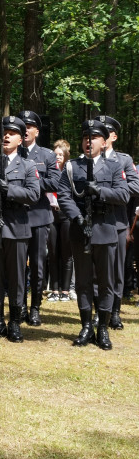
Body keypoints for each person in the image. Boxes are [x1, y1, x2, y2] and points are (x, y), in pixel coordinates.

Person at [57, 119, 129, 350]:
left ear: (104, 141)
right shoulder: (72, 166)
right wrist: (76, 217)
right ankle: (86, 325)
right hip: (81, 230)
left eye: (95, 138)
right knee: (84, 282)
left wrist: (101, 191)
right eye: (86, 138)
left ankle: (103, 328)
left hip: (105, 230)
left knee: (106, 282)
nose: (89, 142)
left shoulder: (114, 166)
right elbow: (64, 195)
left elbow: (124, 195)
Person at [0, 116, 40, 343]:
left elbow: (34, 195)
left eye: (12, 133)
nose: (6, 135)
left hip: (17, 227)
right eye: (4, 131)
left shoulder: (28, 166)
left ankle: (14, 322)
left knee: (16, 277)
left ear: (20, 139)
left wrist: (11, 190)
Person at [95, 115, 139, 329]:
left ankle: (114, 312)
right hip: (94, 222)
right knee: (96, 271)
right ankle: (98, 311)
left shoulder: (124, 160)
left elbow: (135, 186)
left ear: (112, 136)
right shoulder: (87, 159)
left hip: (117, 222)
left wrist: (108, 192)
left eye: (104, 131)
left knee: (116, 271)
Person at [17, 110, 61, 326]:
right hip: (16, 217)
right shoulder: (10, 154)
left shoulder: (47, 156)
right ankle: (20, 306)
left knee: (37, 264)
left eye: (29, 126)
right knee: (17, 266)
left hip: (39, 216)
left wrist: (29, 185)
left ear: (36, 130)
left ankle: (35, 307)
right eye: (22, 126)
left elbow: (55, 182)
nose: (25, 130)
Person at [46, 139, 73, 302]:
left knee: (66, 254)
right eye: (55, 154)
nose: (57, 157)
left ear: (66, 156)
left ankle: (66, 291)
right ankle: (54, 290)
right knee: (53, 253)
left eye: (60, 155)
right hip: (51, 213)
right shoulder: (49, 172)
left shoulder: (70, 172)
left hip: (66, 214)